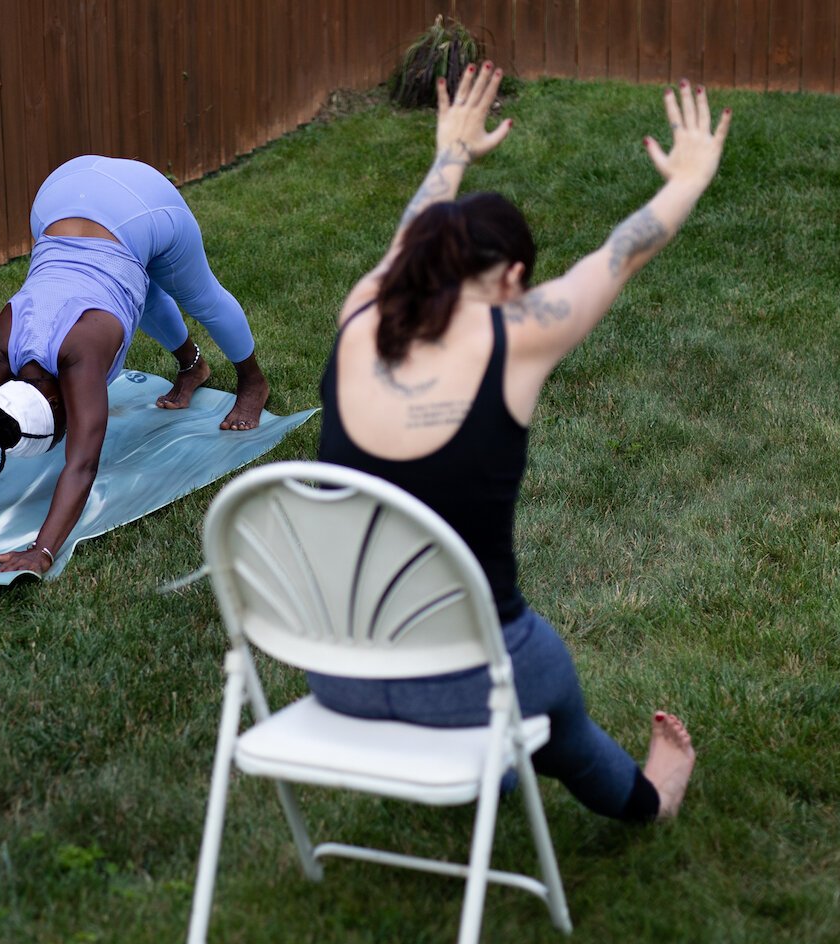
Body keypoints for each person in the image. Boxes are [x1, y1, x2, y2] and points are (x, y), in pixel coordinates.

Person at [309, 63, 731, 822]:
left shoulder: (360, 312)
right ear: (512, 275)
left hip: (340, 675)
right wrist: (691, 174)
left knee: (523, 686)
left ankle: (491, 767)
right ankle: (650, 798)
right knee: (556, 704)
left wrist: (452, 153)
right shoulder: (516, 339)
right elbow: (622, 252)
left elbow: (407, 239)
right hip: (474, 681)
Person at [0, 155, 271, 572]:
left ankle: (253, 381)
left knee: (198, 296)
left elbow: (81, 465)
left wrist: (42, 551)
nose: (64, 438)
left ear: (59, 407)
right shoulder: (5, 338)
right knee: (132, 289)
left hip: (141, 203)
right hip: (57, 194)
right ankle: (192, 365)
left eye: (56, 434)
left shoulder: (81, 354)